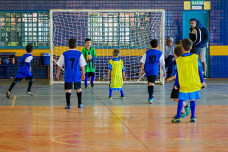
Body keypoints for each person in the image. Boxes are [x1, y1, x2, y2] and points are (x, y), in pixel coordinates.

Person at [172, 39, 206, 123]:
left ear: (182, 48)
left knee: (181, 100)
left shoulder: (179, 60)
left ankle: (178, 117)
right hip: (193, 83)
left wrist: (176, 84)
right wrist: (202, 82)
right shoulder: (195, 58)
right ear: (191, 47)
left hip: (184, 83)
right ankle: (193, 117)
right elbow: (199, 71)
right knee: (192, 100)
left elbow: (178, 74)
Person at [56, 38, 87, 109]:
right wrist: (83, 74)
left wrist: (57, 73)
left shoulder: (64, 54)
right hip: (76, 74)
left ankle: (68, 105)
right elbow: (82, 65)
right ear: (76, 46)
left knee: (68, 89)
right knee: (78, 88)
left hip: (68, 74)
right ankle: (80, 104)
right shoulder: (79, 54)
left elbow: (59, 65)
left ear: (68, 45)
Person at [167, 46, 191, 118]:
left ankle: (186, 106)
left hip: (179, 82)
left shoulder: (179, 62)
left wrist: (170, 78)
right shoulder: (180, 60)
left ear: (175, 53)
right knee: (179, 97)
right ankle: (182, 112)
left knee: (175, 97)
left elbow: (178, 75)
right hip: (183, 81)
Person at [140, 39, 166, 104]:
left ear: (150, 45)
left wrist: (141, 69)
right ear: (157, 46)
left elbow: (143, 62)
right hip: (154, 70)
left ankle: (150, 96)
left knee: (150, 83)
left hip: (147, 69)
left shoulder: (147, 52)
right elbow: (162, 64)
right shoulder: (160, 53)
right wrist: (164, 71)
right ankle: (150, 97)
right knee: (151, 83)